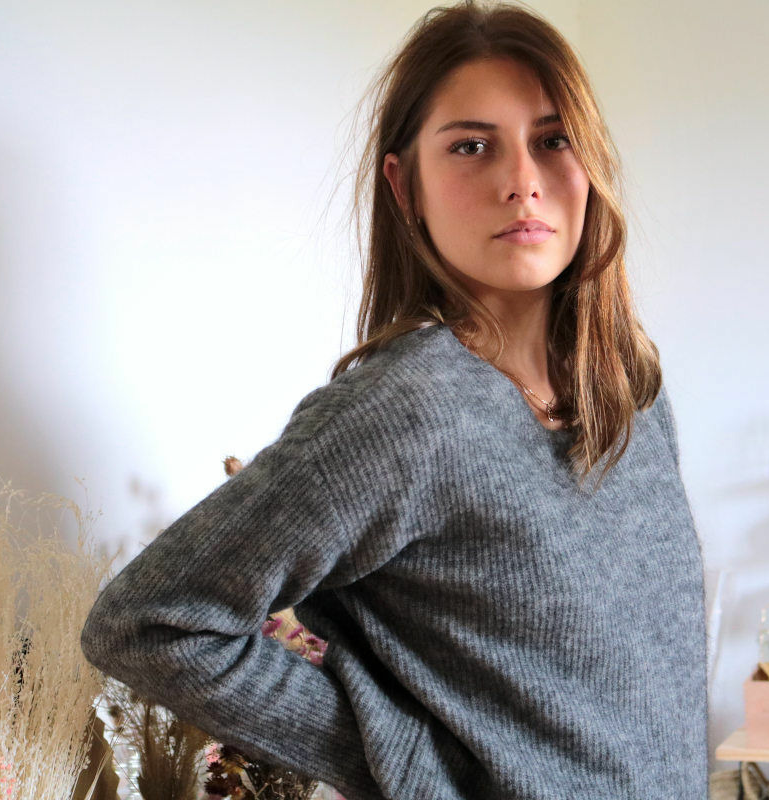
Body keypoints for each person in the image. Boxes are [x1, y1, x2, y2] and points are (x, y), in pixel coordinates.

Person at [80, 1, 709, 798]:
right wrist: (405, 764)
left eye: (553, 141)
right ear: (405, 185)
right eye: (471, 146)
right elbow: (148, 622)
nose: (522, 181)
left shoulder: (630, 386)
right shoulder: (406, 410)